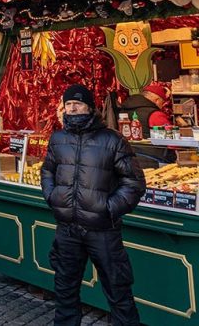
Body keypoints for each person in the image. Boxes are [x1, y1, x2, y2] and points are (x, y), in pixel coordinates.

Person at [41, 84, 146, 326]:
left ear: (90, 107)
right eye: (68, 104)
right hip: (67, 229)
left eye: (78, 103)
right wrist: (52, 196)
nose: (72, 107)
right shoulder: (58, 139)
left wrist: (107, 208)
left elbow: (134, 182)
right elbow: (47, 171)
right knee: (65, 290)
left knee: (118, 291)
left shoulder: (112, 140)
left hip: (103, 231)